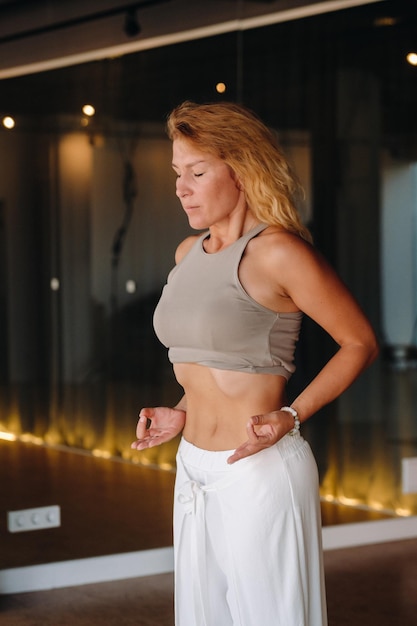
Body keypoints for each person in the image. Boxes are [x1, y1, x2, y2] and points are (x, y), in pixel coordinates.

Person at [131, 100, 379, 626]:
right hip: (193, 465)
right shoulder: (186, 254)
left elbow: (358, 342)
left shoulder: (278, 253)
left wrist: (292, 415)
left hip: (258, 470)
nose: (181, 187)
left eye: (197, 172)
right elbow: (207, 359)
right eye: (178, 173)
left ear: (241, 170)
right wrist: (181, 410)